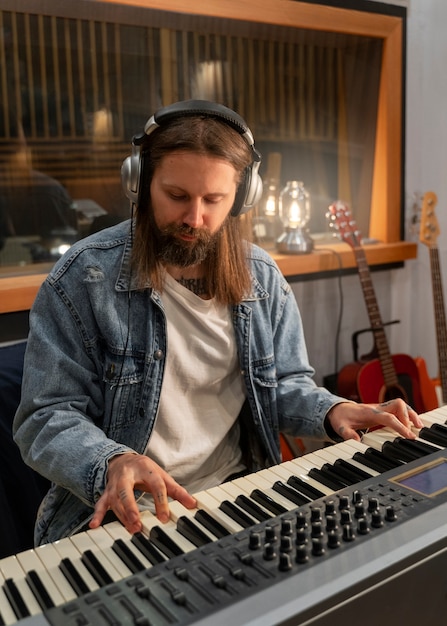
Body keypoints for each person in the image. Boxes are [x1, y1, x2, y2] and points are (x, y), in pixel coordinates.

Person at [13, 100, 423, 547]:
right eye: (177, 196)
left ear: (243, 197)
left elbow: (283, 385)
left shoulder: (261, 277)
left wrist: (332, 410)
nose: (194, 218)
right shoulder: (82, 278)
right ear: (141, 183)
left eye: (213, 200)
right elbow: (45, 416)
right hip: (116, 513)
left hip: (237, 495)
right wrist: (111, 462)